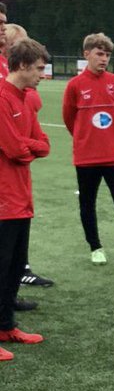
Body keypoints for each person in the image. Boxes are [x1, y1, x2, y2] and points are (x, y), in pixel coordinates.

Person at [63, 32, 114, 263]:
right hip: (86, 158)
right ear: (87, 54)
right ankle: (95, 247)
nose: (104, 58)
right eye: (99, 54)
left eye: (106, 54)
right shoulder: (75, 85)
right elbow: (69, 119)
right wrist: (86, 139)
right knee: (88, 203)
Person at [0, 38, 50, 360]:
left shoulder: (25, 99)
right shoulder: (2, 98)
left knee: (15, 266)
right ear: (21, 66)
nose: (42, 75)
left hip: (22, 197)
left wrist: (26, 146)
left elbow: (43, 144)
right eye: (39, 69)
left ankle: (6, 326)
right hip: (3, 199)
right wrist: (27, 146)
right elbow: (15, 149)